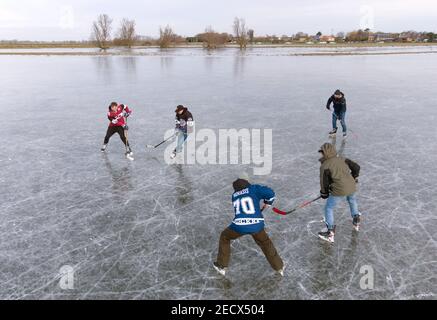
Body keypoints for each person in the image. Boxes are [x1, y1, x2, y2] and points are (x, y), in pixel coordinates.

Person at [213, 177, 284, 277]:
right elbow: (271, 193)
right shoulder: (253, 189)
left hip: (239, 225)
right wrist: (268, 202)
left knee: (225, 236)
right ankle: (279, 267)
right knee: (265, 242)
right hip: (257, 225)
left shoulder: (234, 195)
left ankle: (222, 266)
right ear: (248, 184)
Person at [318, 143, 362, 244]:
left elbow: (324, 182)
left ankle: (330, 232)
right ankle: (356, 218)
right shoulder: (342, 159)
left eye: (322, 153)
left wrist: (324, 193)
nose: (321, 155)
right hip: (351, 186)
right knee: (352, 200)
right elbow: (357, 167)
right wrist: (353, 177)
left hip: (339, 190)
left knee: (329, 207)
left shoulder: (325, 166)